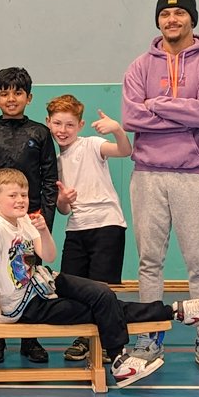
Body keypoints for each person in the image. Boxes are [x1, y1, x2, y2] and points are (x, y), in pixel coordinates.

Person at [0, 169, 199, 389]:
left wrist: (43, 230)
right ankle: (165, 320)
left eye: (23, 195)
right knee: (99, 309)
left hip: (46, 282)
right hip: (25, 304)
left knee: (102, 294)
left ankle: (169, 318)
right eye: (12, 195)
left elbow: (47, 254)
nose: (20, 200)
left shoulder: (25, 220)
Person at [122, 0, 199, 374]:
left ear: (192, 19)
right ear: (158, 21)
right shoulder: (138, 67)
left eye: (180, 14)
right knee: (149, 262)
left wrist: (158, 104)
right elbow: (132, 118)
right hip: (148, 174)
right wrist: (182, 112)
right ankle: (149, 337)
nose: (172, 21)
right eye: (165, 16)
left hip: (194, 177)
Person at [0, 67, 58, 365]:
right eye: (4, 93)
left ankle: (30, 338)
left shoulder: (40, 133)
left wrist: (44, 222)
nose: (11, 98)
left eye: (17, 93)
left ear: (28, 97)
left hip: (29, 221)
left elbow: (48, 180)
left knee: (28, 279)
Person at [45, 94, 132, 362]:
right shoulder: (55, 163)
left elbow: (124, 151)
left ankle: (108, 343)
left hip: (106, 225)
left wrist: (117, 129)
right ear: (48, 122)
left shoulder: (92, 145)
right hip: (76, 228)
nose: (63, 130)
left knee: (102, 288)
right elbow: (63, 210)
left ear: (80, 125)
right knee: (74, 287)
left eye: (69, 125)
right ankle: (84, 338)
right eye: (57, 123)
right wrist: (63, 201)